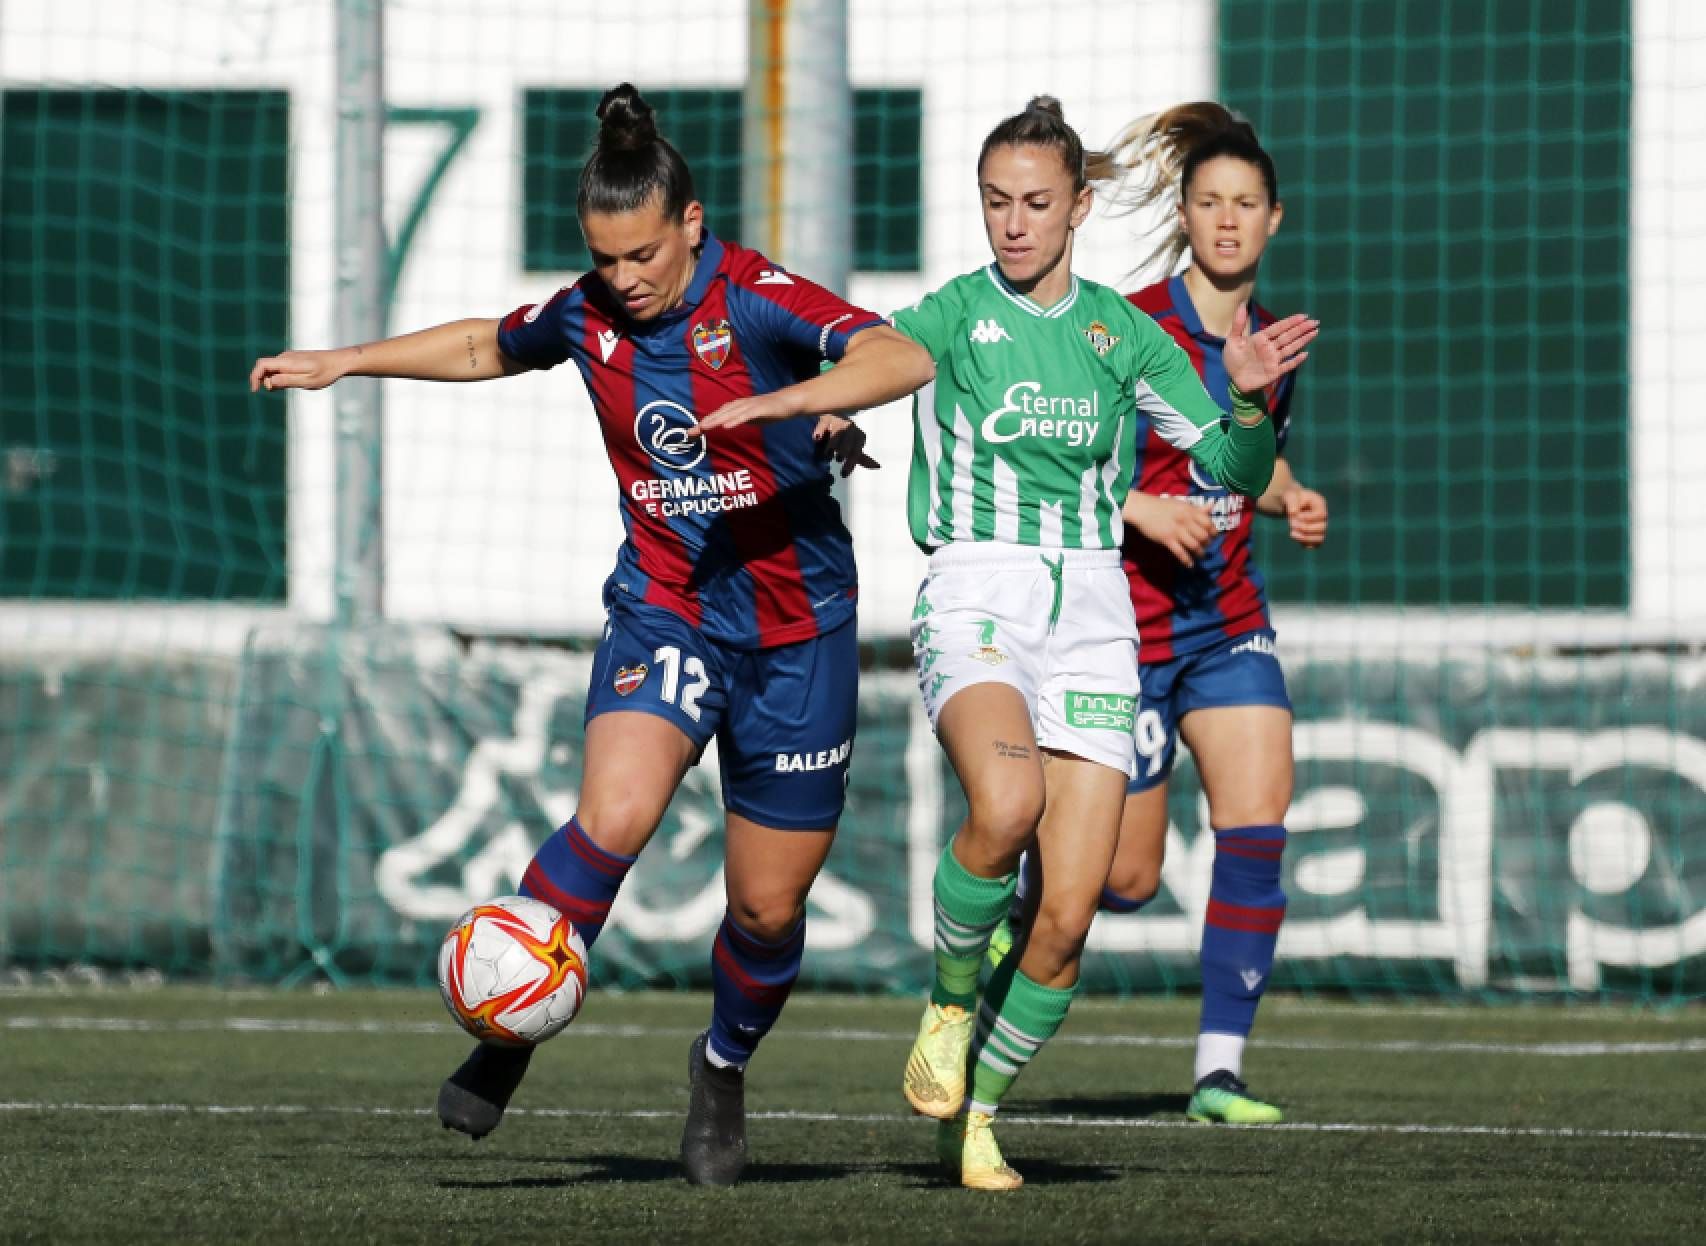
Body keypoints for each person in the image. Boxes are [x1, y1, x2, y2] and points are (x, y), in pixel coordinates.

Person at [249, 83, 934, 1187]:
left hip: (800, 632)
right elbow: (486, 342)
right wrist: (347, 360)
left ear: (691, 224)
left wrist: (786, 402)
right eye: (603, 259)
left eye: (641, 257)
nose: (622, 280)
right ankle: (510, 1025)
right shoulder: (591, 313)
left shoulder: (755, 298)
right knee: (611, 816)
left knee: (764, 906)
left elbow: (899, 357)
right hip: (666, 606)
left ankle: (720, 1067)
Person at [699, 96, 1315, 1190]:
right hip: (974, 591)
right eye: (995, 202)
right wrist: (799, 400)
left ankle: (973, 1113)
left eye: (1036, 203)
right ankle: (945, 1006)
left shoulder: (1122, 334)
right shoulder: (954, 312)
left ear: (1078, 207)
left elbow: (1223, 463)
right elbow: (885, 360)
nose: (1013, 223)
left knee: (1069, 919)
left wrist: (1253, 405)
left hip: (1092, 613)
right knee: (1004, 806)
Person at [993, 101, 1327, 1125]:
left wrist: (1284, 491)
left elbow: (1239, 457)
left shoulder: (1271, 340)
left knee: (1257, 820)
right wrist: (1137, 506)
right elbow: (1048, 460)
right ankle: (1007, 926)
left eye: (1245, 205)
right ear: (1183, 214)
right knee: (1123, 880)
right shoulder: (1122, 325)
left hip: (1225, 618)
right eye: (1209, 203)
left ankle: (1217, 1074)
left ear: (1273, 221)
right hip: (1121, 628)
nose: (1226, 221)